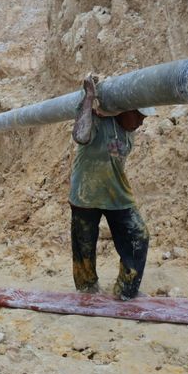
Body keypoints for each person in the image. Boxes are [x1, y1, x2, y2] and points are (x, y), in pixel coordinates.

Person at [69, 74, 155, 300]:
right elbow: (80, 135)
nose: (141, 122)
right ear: (125, 109)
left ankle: (126, 290)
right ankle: (87, 289)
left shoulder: (129, 131)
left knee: (139, 235)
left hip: (117, 193)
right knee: (84, 245)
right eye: (139, 115)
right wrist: (89, 97)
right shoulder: (97, 120)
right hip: (85, 193)